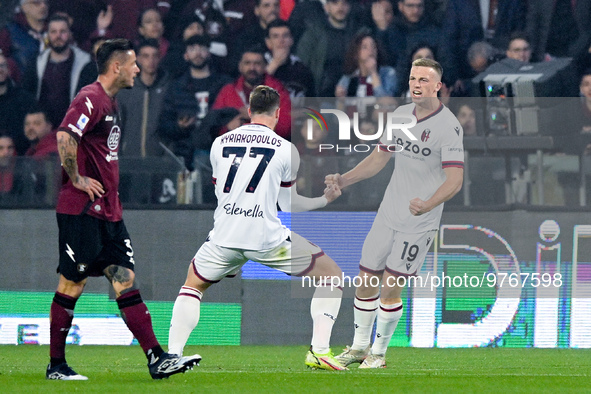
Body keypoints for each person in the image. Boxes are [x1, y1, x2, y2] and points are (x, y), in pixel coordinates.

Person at [46, 38, 200, 380]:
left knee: (125, 279)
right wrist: (78, 178)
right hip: (81, 211)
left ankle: (156, 358)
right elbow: (64, 136)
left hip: (108, 212)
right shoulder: (91, 97)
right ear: (116, 67)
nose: (137, 69)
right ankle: (56, 366)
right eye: (132, 64)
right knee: (72, 284)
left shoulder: (113, 104)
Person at [167, 85, 347, 371]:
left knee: (192, 285)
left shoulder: (220, 143)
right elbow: (288, 206)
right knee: (332, 275)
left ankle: (173, 355)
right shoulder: (286, 150)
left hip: (224, 237)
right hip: (266, 239)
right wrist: (324, 199)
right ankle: (319, 351)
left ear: (249, 111)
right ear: (278, 113)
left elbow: (222, 193)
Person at [327, 58, 464, 368]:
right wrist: (343, 180)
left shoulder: (448, 126)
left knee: (391, 286)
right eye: (413, 78)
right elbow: (378, 159)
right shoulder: (401, 115)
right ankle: (359, 347)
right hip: (388, 213)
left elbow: (455, 181)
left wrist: (428, 204)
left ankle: (378, 353)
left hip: (419, 221)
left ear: (437, 86)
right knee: (365, 279)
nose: (416, 85)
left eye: (424, 80)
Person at [21, 13, 91, 127]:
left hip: (73, 127)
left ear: (70, 34)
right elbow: (26, 95)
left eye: (62, 31)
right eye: (53, 32)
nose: (58, 36)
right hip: (42, 129)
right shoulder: (36, 63)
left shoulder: (86, 65)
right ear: (47, 35)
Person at [212, 47, 291, 139]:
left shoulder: (277, 90)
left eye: (257, 63)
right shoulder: (228, 91)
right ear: (240, 66)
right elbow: (214, 125)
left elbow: (286, 127)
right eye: (247, 63)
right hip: (234, 148)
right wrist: (227, 128)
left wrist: (255, 117)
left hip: (268, 148)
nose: (252, 68)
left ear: (265, 66)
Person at [335, 32, 397, 98]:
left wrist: (373, 73)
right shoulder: (348, 77)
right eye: (365, 47)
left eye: (373, 47)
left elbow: (387, 102)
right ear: (356, 53)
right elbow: (341, 105)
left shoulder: (388, 73)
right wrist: (341, 97)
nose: (371, 50)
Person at [264, 19, 315, 98]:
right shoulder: (259, 63)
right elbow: (250, 95)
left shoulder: (302, 69)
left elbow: (313, 104)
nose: (281, 41)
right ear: (268, 42)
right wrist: (274, 65)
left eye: (285, 36)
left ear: (291, 40)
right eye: (275, 36)